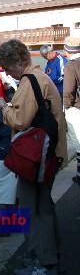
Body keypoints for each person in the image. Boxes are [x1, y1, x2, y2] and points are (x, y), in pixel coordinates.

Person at [0, 39, 66, 275]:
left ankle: (44, 264)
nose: (7, 73)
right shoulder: (41, 77)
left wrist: (2, 107)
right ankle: (49, 257)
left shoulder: (29, 81)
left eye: (7, 67)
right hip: (50, 153)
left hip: (36, 158)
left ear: (17, 61)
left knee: (32, 210)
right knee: (44, 207)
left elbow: (20, 120)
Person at [62, 35, 80, 185]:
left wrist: (66, 107)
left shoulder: (71, 66)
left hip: (76, 108)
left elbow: (68, 91)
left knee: (78, 141)